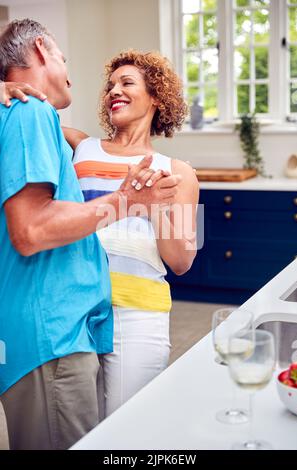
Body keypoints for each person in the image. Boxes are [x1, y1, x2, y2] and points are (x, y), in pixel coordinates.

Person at [0, 20, 181, 450]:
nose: (112, 90)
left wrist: (162, 209)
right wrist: (127, 199)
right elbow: (31, 228)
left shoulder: (178, 171)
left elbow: (181, 258)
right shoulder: (70, 139)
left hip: (116, 318)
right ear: (42, 49)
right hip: (56, 329)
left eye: (128, 82)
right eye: (110, 84)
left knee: (125, 436)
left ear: (156, 97)